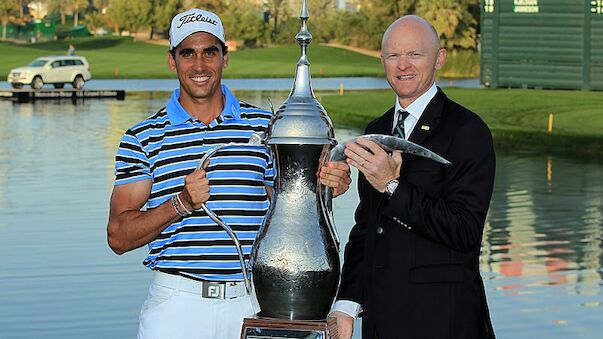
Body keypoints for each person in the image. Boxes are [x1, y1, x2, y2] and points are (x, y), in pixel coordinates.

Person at [106, 8, 350, 339]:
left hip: (252, 301)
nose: (199, 65)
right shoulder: (143, 137)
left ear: (225, 57)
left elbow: (291, 203)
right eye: (187, 53)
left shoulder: (266, 127)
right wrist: (181, 203)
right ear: (172, 60)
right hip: (177, 305)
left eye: (210, 52)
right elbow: (118, 237)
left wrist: (324, 187)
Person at [329, 15, 496, 339]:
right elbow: (368, 226)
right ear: (382, 61)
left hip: (444, 321)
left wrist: (393, 185)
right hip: (381, 322)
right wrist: (347, 304)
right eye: (393, 55)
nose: (402, 65)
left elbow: (464, 232)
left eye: (414, 54)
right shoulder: (375, 131)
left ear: (439, 59)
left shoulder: (468, 131)